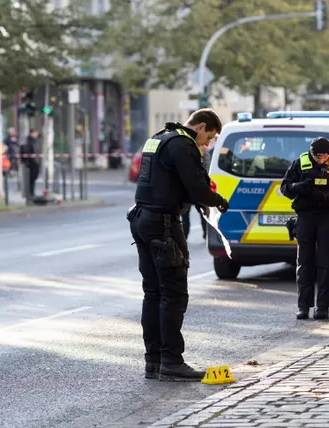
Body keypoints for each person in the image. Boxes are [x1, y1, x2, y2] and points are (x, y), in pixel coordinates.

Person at [127, 108, 229, 382]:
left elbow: (168, 181)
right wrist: (218, 201)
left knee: (153, 293)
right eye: (209, 137)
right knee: (174, 294)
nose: (207, 144)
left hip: (141, 218)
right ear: (201, 126)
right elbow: (197, 188)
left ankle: (154, 362)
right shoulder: (184, 145)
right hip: (163, 224)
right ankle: (172, 361)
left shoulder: (159, 137)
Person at [280, 137, 329, 320]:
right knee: (304, 263)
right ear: (311, 152)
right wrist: (297, 187)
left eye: (325, 155)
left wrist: (327, 197)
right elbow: (285, 188)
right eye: (318, 156)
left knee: (326, 263)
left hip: (326, 218)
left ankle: (323, 307)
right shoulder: (299, 163)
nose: (322, 159)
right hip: (306, 216)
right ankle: (304, 306)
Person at [21, 129, 40, 199]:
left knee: (34, 179)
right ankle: (29, 193)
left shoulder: (36, 141)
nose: (36, 134)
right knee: (30, 179)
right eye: (34, 133)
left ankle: (32, 193)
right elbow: (26, 152)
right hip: (31, 164)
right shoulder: (28, 141)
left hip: (36, 163)